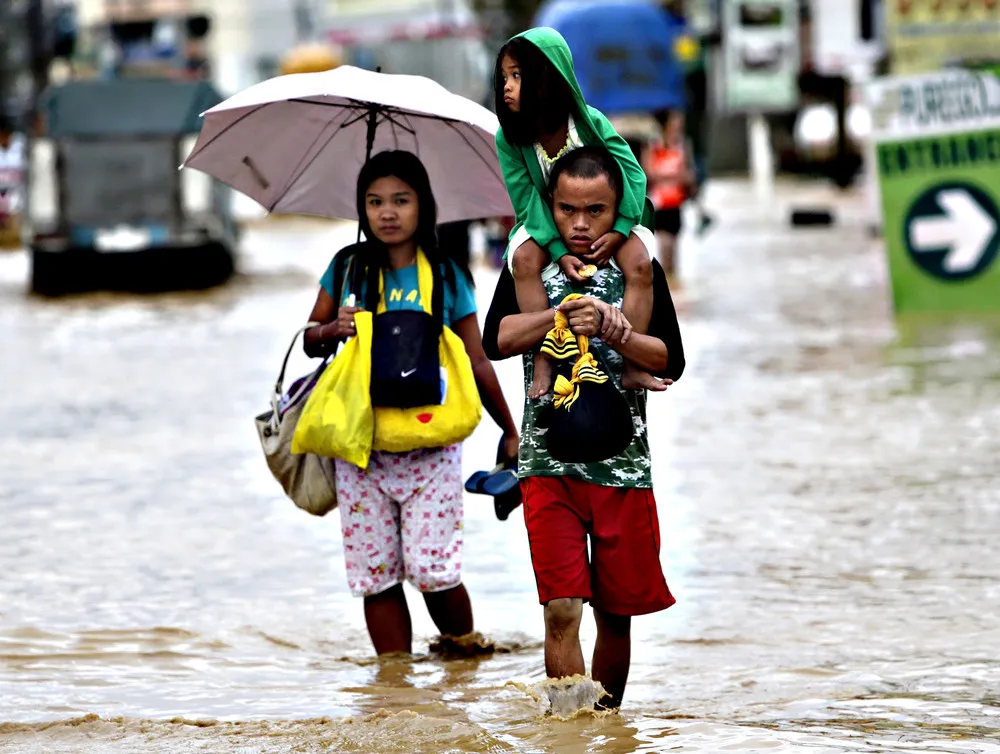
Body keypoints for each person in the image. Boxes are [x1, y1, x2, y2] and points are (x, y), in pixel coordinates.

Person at [482, 146, 685, 710]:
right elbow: (496, 342)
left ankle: (606, 728)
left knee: (615, 616)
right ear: (550, 206)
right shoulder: (529, 266)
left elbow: (673, 361)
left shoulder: (639, 269)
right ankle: (570, 736)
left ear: (618, 209)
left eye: (595, 211)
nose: (579, 223)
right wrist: (561, 313)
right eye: (567, 209)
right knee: (562, 609)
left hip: (622, 467)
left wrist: (617, 332)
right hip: (549, 468)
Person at [302, 150, 520, 656]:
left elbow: (477, 358)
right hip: (362, 448)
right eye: (375, 201)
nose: (388, 212)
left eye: (401, 199)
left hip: (432, 450)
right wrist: (333, 327)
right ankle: (394, 689)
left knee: (432, 571)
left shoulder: (446, 274)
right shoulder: (347, 269)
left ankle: (464, 654)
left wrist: (510, 429)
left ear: (424, 205)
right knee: (374, 574)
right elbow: (312, 338)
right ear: (362, 209)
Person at [494, 28, 665, 401]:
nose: (507, 86)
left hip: (612, 220)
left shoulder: (588, 121)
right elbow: (525, 198)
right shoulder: (508, 139)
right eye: (504, 77)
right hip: (544, 222)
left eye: (518, 76)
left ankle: (633, 362)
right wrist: (556, 249)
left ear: (547, 77)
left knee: (639, 263)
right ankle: (544, 357)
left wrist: (620, 230)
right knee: (522, 259)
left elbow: (632, 173)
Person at [645, 110, 695, 278]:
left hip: (677, 201)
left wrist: (680, 177)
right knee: (664, 244)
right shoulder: (653, 145)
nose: (678, 125)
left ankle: (673, 285)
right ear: (665, 124)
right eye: (675, 121)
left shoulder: (682, 145)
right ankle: (667, 282)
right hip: (660, 201)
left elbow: (687, 173)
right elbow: (649, 172)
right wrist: (672, 175)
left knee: (674, 245)